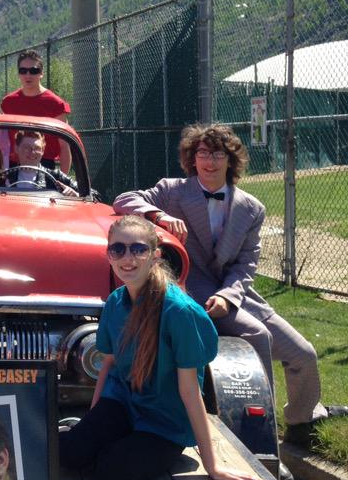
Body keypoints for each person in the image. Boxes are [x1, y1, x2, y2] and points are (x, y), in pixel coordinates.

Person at [112, 123, 347, 447]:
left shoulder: (251, 208)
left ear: (230, 159)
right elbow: (124, 200)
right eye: (203, 153)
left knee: (303, 353)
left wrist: (227, 295)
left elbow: (246, 264)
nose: (210, 161)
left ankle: (301, 422)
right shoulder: (173, 191)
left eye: (218, 153)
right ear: (192, 159)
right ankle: (261, 438)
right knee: (257, 336)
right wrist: (159, 216)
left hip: (235, 293)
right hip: (192, 293)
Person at [59, 216, 264, 480]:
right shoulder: (115, 304)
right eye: (118, 249)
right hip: (123, 406)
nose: (127, 257)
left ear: (155, 256)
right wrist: (93, 423)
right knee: (70, 453)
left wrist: (212, 466)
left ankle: (158, 451)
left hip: (164, 422)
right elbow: (108, 365)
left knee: (111, 472)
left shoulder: (179, 311)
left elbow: (190, 390)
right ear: (108, 255)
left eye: (138, 249)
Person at [0, 50, 72, 173]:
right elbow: (2, 141)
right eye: (23, 71)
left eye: (33, 71)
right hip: (14, 166)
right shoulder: (8, 103)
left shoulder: (56, 104)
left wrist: (62, 182)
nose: (28, 75)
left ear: (41, 73)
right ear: (19, 74)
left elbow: (64, 147)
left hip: (45, 166)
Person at [5, 131, 79, 197]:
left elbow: (88, 195)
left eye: (37, 148)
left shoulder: (56, 176)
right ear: (16, 148)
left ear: (43, 151)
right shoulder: (5, 177)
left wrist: (76, 194)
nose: (32, 152)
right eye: (27, 147)